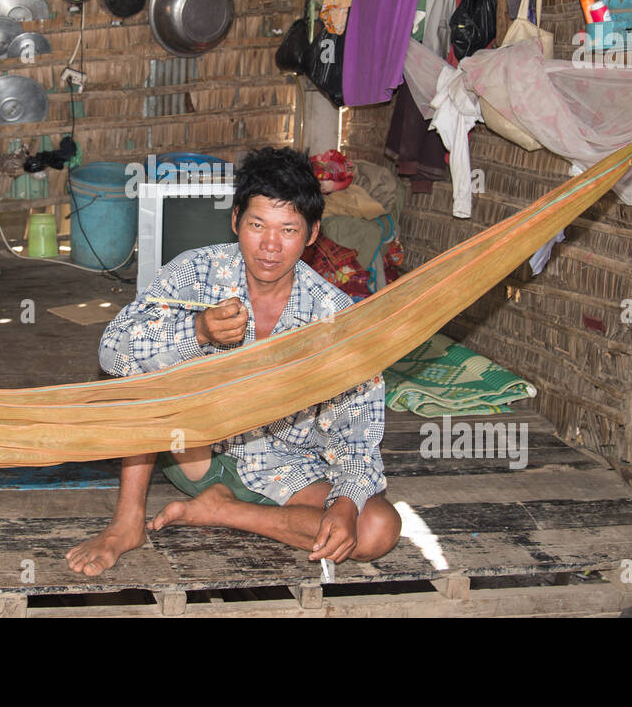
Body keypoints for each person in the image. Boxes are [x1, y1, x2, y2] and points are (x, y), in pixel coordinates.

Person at [66, 147, 400, 577]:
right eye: (257, 225)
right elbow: (112, 352)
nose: (270, 247)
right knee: (148, 368)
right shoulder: (195, 272)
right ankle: (127, 523)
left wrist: (347, 502)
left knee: (376, 529)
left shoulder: (332, 315)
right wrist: (198, 332)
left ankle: (223, 511)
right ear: (235, 219)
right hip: (195, 451)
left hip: (287, 470)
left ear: (313, 233)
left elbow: (360, 434)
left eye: (289, 230)